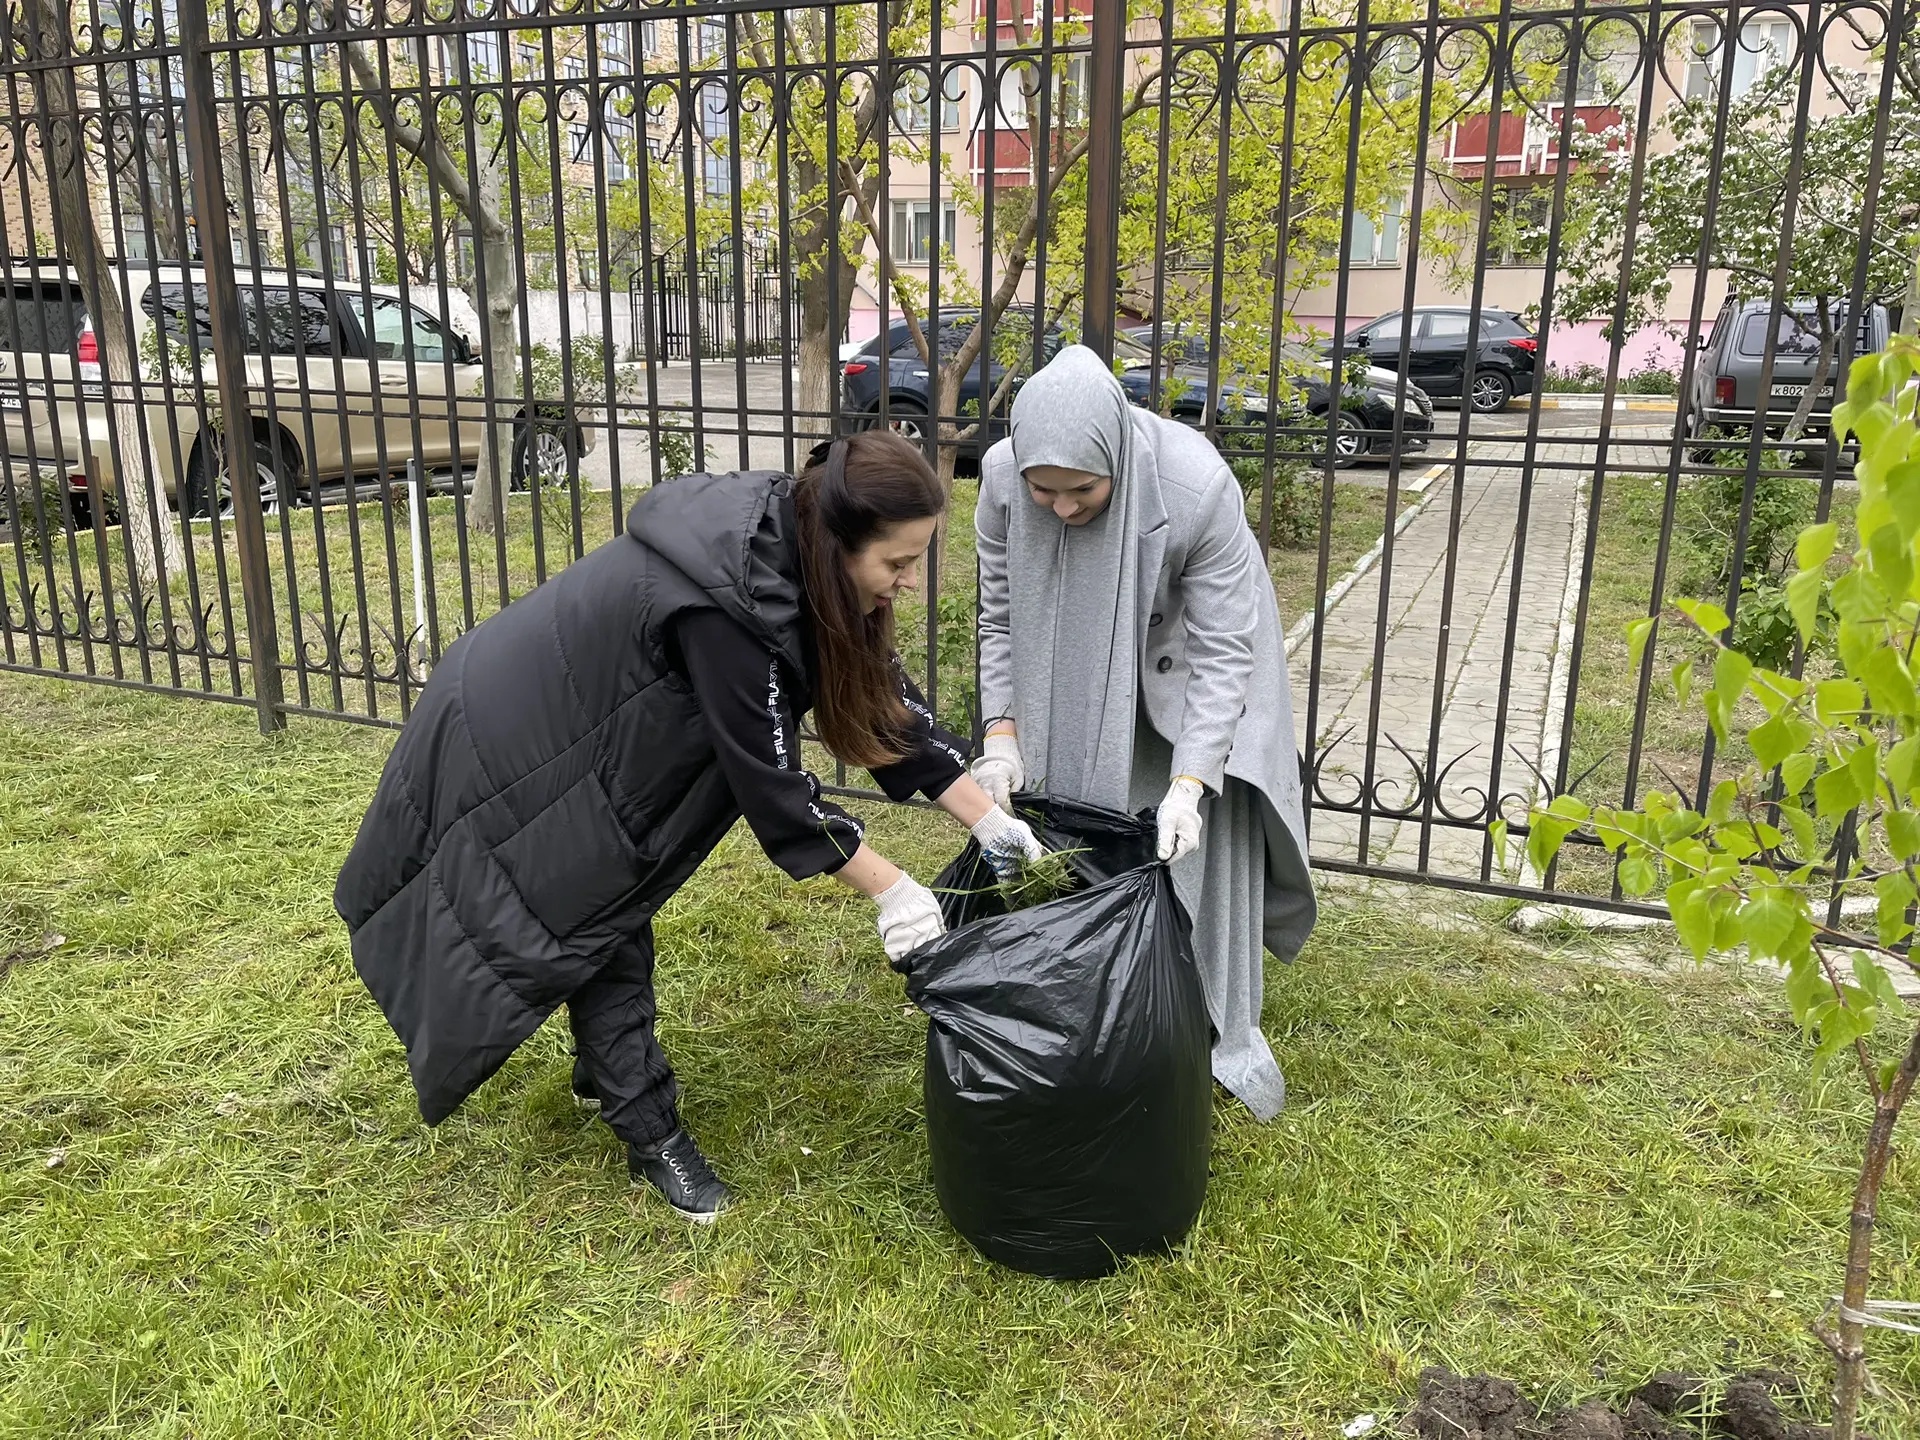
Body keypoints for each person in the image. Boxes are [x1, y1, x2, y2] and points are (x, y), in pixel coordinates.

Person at [335, 432, 1044, 1222]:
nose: (909, 583)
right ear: (838, 541)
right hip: (518, 745)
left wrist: (990, 821)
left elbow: (881, 706)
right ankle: (647, 1128)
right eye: (897, 564)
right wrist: (896, 890)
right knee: (598, 912)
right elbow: (774, 790)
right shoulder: (725, 609)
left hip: (580, 732)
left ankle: (606, 1069)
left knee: (600, 908)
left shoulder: (797, 552)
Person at [971, 344, 1315, 1121]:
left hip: (1183, 677)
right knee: (1072, 844)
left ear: (1118, 461)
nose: (1059, 507)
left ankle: (1195, 1038)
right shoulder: (998, 477)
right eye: (1043, 490)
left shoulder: (1195, 485)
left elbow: (1228, 648)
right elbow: (998, 614)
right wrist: (1001, 732)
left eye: (1082, 490)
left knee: (1182, 860)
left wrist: (1192, 784)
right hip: (1064, 669)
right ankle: (1081, 1023)